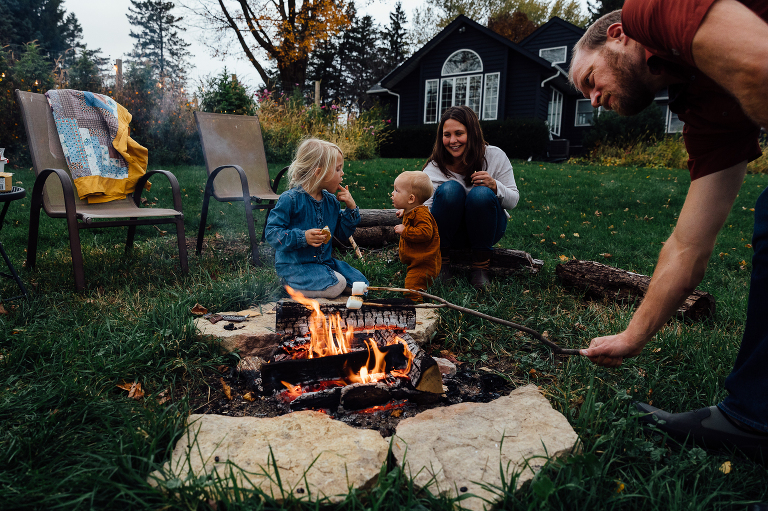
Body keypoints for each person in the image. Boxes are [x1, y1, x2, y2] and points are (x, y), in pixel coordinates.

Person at [569, 0, 768, 454]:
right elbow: (687, 245)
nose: (594, 100)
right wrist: (631, 336)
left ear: (618, 35)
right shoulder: (704, 106)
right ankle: (756, 414)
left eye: (590, 81)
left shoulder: (653, 9)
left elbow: (761, 67)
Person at [421, 106, 520, 289]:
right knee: (450, 189)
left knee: (481, 193)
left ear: (472, 132)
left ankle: (480, 268)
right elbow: (424, 210)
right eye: (447, 135)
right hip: (449, 234)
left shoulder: (495, 156)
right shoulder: (435, 167)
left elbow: (513, 201)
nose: (452, 141)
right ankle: (442, 264)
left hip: (488, 229)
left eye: (459, 133)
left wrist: (494, 185)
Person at [265, 138, 368, 298]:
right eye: (338, 169)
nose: (342, 173)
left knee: (361, 286)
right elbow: (272, 233)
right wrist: (302, 237)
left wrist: (351, 209)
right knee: (337, 284)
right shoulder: (290, 199)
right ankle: (289, 285)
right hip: (295, 267)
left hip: (323, 263)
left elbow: (340, 234)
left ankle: (323, 281)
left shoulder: (331, 201)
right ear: (319, 172)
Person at [391, 171, 441, 301]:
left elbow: (425, 233)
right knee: (415, 284)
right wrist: (405, 210)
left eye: (397, 190)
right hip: (416, 261)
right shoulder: (413, 209)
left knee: (411, 290)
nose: (392, 193)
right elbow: (412, 210)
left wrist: (405, 230)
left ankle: (417, 309)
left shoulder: (422, 215)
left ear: (411, 199)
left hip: (423, 263)